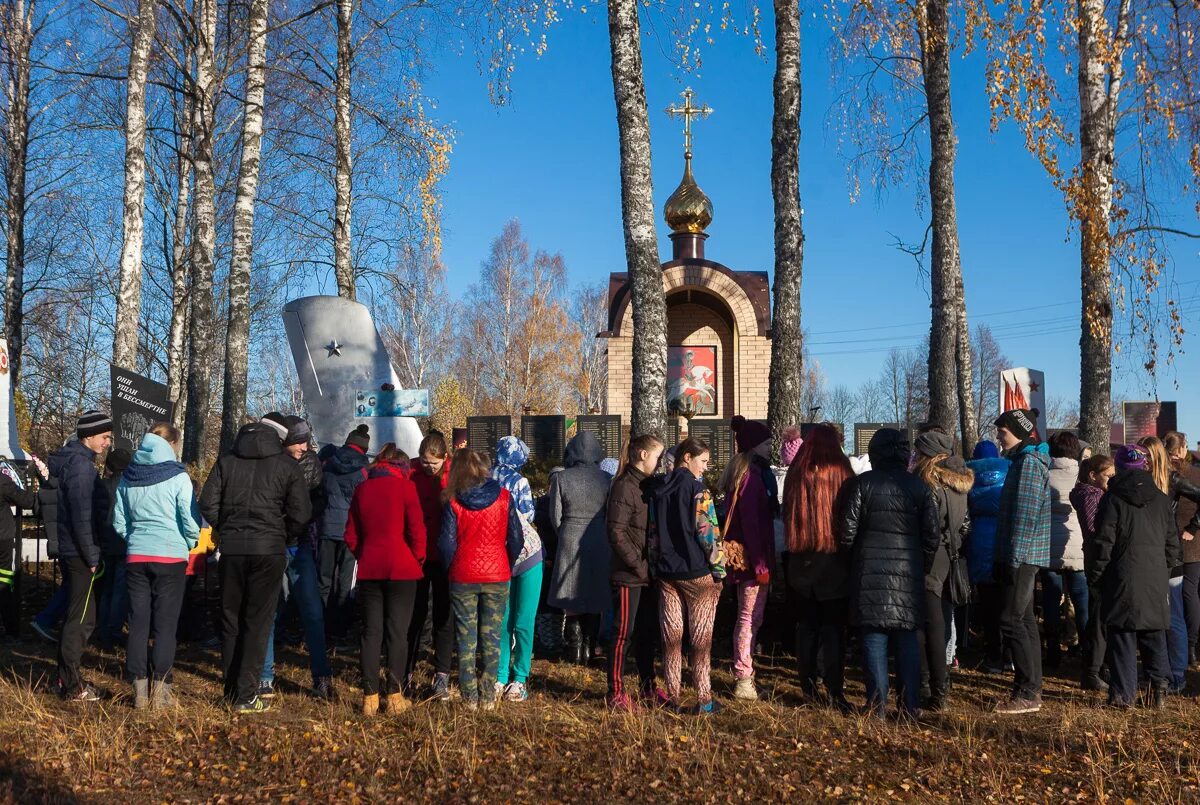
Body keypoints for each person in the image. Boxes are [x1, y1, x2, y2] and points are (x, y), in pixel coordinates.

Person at [200, 420, 311, 713]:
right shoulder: (286, 467)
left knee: (231, 619)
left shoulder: (226, 462)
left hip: (234, 549)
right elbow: (302, 512)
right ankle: (247, 695)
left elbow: (207, 503)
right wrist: (282, 534)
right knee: (258, 622)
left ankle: (232, 689)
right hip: (269, 549)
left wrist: (226, 528)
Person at [841, 428, 939, 719]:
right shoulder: (920, 487)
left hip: (869, 571)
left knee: (874, 639)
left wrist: (855, 563)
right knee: (907, 640)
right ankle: (910, 706)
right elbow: (932, 537)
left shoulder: (862, 485)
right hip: (908, 572)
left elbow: (847, 533)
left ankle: (877, 707)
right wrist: (921, 567)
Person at [112, 424, 199, 709]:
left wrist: (135, 539)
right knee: (165, 626)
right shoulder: (178, 476)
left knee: (138, 624)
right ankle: (161, 692)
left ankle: (139, 691)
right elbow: (189, 519)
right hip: (171, 557)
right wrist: (188, 542)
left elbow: (119, 521)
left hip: (137, 556)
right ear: (171, 444)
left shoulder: (129, 476)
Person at [1089, 445, 1181, 709]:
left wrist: (1097, 577)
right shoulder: (1163, 501)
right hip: (1154, 577)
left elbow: (1104, 543)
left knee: (1123, 636)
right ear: (1145, 466)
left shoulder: (1112, 499)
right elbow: (1172, 546)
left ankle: (1123, 696)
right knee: (1154, 635)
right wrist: (1159, 571)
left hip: (1121, 576)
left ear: (1118, 467)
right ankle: (1158, 693)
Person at [344, 444, 426, 716]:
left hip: (370, 567)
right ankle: (393, 695)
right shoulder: (406, 488)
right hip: (402, 569)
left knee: (370, 633)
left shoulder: (362, 490)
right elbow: (417, 531)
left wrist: (364, 554)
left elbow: (351, 535)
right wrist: (417, 558)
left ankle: (369, 697)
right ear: (401, 467)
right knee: (397, 634)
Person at [258, 414, 335, 701]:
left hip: (298, 543)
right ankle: (265, 677)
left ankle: (322, 675)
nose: (304, 446)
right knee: (269, 610)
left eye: (305, 440)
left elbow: (319, 498)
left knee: (312, 610)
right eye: (298, 441)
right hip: (275, 543)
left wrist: (300, 520)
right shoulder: (270, 463)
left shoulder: (310, 463)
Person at [439, 449, 523, 710]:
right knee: (492, 637)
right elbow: (517, 538)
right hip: (497, 574)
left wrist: (449, 569)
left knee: (466, 638)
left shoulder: (453, 501)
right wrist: (504, 561)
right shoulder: (505, 497)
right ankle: (487, 696)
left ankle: (469, 697)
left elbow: (446, 544)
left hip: (463, 575)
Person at [651, 437, 726, 715]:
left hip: (667, 573)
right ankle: (704, 699)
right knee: (701, 639)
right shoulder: (699, 491)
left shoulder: (659, 491)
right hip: (697, 573)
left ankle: (673, 696)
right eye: (703, 461)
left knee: (671, 638)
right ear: (687, 458)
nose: (705, 468)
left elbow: (653, 535)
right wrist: (719, 570)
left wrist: (656, 566)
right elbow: (709, 535)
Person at [782, 423, 853, 711]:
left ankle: (808, 687)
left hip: (800, 558)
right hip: (834, 559)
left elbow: (786, 511)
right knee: (834, 629)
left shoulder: (796, 471)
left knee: (807, 627)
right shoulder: (841, 470)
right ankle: (835, 690)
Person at [992, 408, 1051, 715]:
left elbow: (1025, 517)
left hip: (1023, 555)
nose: (999, 438)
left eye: (1002, 432)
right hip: (1023, 553)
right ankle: (1028, 687)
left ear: (1019, 432)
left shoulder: (1028, 464)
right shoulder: (1022, 461)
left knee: (1012, 620)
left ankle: (1028, 692)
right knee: (1024, 620)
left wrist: (1012, 559)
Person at [50, 410, 113, 701]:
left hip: (74, 550)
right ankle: (70, 684)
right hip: (79, 553)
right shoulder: (81, 469)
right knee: (81, 619)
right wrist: (91, 555)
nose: (108, 443)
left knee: (81, 617)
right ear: (88, 436)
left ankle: (65, 679)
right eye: (104, 437)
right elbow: (82, 516)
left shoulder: (77, 463)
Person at [911, 430, 973, 711]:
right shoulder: (959, 482)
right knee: (940, 622)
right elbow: (965, 525)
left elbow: (927, 528)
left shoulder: (927, 483)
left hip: (930, 558)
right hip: (951, 556)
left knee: (927, 624)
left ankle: (930, 687)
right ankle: (941, 688)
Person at [606, 434, 666, 711]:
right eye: (656, 456)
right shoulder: (624, 487)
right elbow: (616, 532)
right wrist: (639, 566)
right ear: (642, 455)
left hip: (647, 574)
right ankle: (615, 692)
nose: (659, 462)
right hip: (630, 575)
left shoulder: (646, 486)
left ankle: (648, 688)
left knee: (646, 634)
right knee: (623, 634)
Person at [1138, 435, 1198, 692]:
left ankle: (1177, 675)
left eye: (1144, 456)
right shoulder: (1138, 480)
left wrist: (1193, 527)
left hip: (1170, 554)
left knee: (1172, 616)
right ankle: (1159, 671)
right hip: (1147, 554)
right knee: (1153, 616)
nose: (1139, 460)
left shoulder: (1172, 479)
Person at [547, 431, 611, 665]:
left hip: (570, 537)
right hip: (598, 538)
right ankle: (589, 648)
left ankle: (574, 650)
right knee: (595, 595)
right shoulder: (606, 479)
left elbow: (555, 516)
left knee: (571, 594)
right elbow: (610, 515)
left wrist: (565, 533)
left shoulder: (562, 478)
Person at [491, 437, 543, 702]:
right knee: (523, 620)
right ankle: (518, 679)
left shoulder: (486, 480)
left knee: (502, 620)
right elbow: (529, 515)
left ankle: (500, 676)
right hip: (522, 555)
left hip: (513, 554)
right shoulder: (520, 482)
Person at [720, 449, 775, 701]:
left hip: (742, 561)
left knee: (746, 617)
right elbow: (753, 527)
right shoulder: (751, 480)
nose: (769, 447)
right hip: (753, 564)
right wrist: (762, 566)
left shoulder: (739, 478)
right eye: (764, 442)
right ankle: (743, 677)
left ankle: (745, 674)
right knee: (749, 619)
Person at [405, 431, 455, 700]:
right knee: (416, 612)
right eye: (424, 462)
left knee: (443, 616)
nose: (428, 468)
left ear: (444, 459)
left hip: (444, 555)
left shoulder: (452, 476)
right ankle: (407, 671)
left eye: (433, 464)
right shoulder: (411, 472)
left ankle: (441, 674)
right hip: (418, 554)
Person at [318, 424, 371, 647]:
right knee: (346, 581)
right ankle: (341, 628)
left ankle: (319, 623)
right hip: (351, 532)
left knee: (324, 579)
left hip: (327, 528)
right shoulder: (364, 471)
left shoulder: (328, 463)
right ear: (364, 448)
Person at [1043, 431, 1088, 671]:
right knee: (1082, 603)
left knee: (1051, 602)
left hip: (1049, 548)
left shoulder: (1044, 475)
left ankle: (1052, 652)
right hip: (1078, 548)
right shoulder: (1083, 477)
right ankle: (1087, 652)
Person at [1071, 454, 1116, 692]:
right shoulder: (1091, 496)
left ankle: (1099, 664)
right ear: (1093, 476)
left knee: (1100, 613)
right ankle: (1094, 667)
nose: (1112, 480)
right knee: (1099, 613)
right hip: (1097, 557)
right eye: (1108, 476)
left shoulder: (1093, 494)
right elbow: (1093, 527)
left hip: (1096, 555)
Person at [966, 441, 1009, 672]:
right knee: (1009, 604)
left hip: (979, 541)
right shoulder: (1010, 474)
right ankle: (1010, 655)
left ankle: (993, 655)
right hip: (1004, 542)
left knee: (988, 605)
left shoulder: (969, 478)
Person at [1163, 432, 1200, 665]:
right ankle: (1190, 647)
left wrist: (1193, 527)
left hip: (1182, 540)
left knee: (1183, 596)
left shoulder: (1166, 473)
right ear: (1183, 449)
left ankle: (1187, 647)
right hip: (1187, 541)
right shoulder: (1190, 473)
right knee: (1189, 594)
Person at [95, 447, 133, 651]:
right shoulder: (129, 486)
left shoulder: (103, 486)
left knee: (107, 588)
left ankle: (103, 628)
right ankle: (113, 630)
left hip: (106, 542)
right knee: (120, 590)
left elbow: (98, 516)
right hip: (123, 541)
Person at [0, 460, 38, 640]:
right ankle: (10, 627)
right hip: (2, 538)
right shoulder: (2, 481)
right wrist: (28, 480)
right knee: (4, 580)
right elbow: (27, 501)